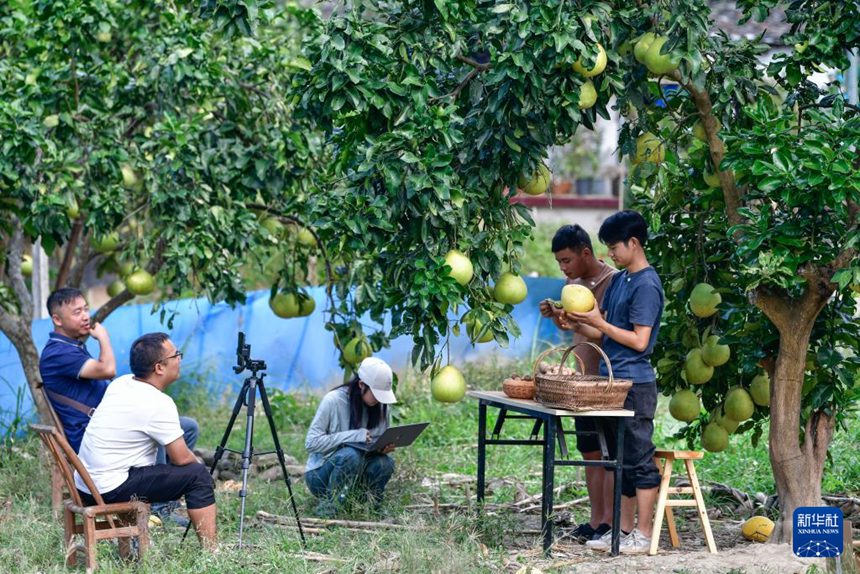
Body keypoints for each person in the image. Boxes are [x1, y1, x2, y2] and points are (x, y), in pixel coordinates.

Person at [39, 288, 198, 525]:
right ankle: (160, 508)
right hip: (90, 435)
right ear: (57, 319)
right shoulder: (58, 353)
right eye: (77, 312)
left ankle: (162, 503)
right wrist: (103, 337)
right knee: (159, 428)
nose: (85, 316)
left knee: (185, 427)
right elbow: (108, 369)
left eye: (85, 309)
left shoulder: (72, 347)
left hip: (102, 427)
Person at [566, 210, 664, 555]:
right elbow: (602, 333)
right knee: (618, 459)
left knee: (638, 458)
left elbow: (639, 341)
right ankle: (621, 531)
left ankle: (644, 532)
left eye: (613, 247)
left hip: (634, 384)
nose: (609, 254)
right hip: (611, 382)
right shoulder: (622, 281)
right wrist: (577, 321)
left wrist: (599, 323)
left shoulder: (647, 284)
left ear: (633, 243)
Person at [75, 333, 217, 550]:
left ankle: (142, 533)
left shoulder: (121, 383)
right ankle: (212, 550)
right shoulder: (159, 403)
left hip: (85, 485)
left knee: (181, 445)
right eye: (176, 355)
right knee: (198, 476)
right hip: (109, 489)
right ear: (159, 368)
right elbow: (180, 458)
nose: (180, 359)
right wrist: (201, 469)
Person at [538, 224, 618, 544]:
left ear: (586, 253)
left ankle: (611, 522)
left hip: (606, 382)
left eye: (567, 260)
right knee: (590, 452)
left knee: (609, 453)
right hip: (581, 380)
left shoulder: (612, 282)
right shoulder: (573, 283)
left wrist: (586, 321)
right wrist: (556, 317)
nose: (563, 268)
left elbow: (607, 332)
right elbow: (575, 328)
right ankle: (596, 519)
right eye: (559, 262)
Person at [304, 357, 397, 517]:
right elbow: (311, 443)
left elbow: (374, 446)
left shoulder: (381, 406)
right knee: (350, 455)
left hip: (357, 472)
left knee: (385, 463)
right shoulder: (333, 401)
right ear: (361, 385)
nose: (379, 399)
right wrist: (353, 436)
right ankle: (329, 510)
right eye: (376, 394)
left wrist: (382, 449)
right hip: (320, 475)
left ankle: (371, 507)